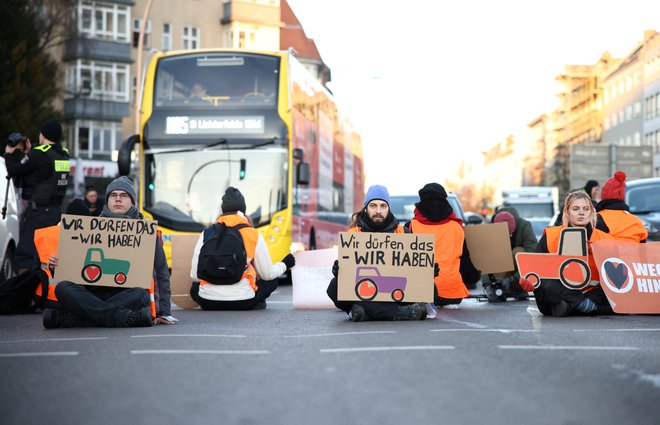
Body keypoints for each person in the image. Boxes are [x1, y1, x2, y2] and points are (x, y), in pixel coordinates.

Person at [42, 176, 175, 328]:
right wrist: (56, 266)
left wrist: (164, 312)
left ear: (132, 201)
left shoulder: (145, 230)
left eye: (124, 195)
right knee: (63, 288)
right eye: (113, 195)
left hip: (125, 294)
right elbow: (74, 267)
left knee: (141, 295)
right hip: (91, 292)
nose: (118, 199)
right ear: (107, 200)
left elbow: (161, 272)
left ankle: (73, 319)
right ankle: (124, 318)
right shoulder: (88, 227)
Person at [326, 185, 428, 321]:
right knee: (334, 286)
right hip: (364, 292)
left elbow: (413, 274)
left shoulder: (403, 233)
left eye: (383, 206)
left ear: (389, 208)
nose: (378, 211)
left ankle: (363, 312)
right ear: (366, 207)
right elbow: (347, 274)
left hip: (393, 296)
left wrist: (427, 271)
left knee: (431, 287)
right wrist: (339, 270)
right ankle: (401, 313)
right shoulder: (354, 234)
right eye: (373, 205)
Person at [190, 187, 295, 310]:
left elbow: (195, 275)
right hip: (243, 301)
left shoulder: (206, 233)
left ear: (223, 211)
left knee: (194, 287)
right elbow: (267, 274)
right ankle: (257, 302)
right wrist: (284, 264)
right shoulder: (252, 233)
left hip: (207, 301)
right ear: (243, 211)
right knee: (271, 282)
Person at [520, 191, 614, 317]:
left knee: (614, 288)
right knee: (547, 284)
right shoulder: (551, 236)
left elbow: (614, 276)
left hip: (591, 294)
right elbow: (536, 271)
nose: (581, 213)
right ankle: (585, 307)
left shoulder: (604, 239)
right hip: (556, 295)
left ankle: (570, 307)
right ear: (567, 212)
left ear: (591, 212)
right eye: (576, 209)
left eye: (586, 209)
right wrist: (529, 283)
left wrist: (600, 253)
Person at [4, 119, 70, 272]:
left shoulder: (39, 154)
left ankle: (25, 292)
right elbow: (43, 172)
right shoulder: (63, 154)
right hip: (55, 213)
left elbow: (14, 170)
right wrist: (30, 152)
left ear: (44, 135)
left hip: (38, 214)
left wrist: (8, 153)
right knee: (45, 255)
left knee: (26, 256)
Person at [407, 183, 471, 308]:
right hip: (451, 294)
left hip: (422, 293)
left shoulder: (411, 227)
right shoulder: (456, 228)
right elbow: (465, 263)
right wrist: (473, 278)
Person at [482, 206, 537, 301]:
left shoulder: (524, 226)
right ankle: (499, 287)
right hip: (500, 266)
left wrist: (515, 279)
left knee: (519, 251)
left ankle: (517, 287)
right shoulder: (489, 228)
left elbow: (533, 255)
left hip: (517, 272)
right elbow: (484, 258)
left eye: (509, 235)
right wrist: (487, 285)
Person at [595, 171, 647, 243]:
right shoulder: (637, 221)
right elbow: (643, 249)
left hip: (608, 254)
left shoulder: (597, 219)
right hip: (633, 254)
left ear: (604, 195)